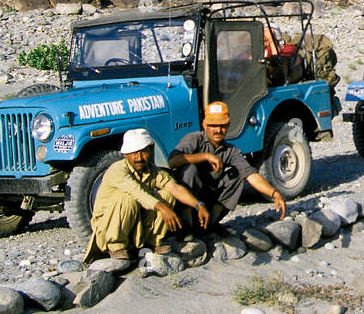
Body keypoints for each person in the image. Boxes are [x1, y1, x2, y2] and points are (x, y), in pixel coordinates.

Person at [83, 128, 209, 266]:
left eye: (144, 152)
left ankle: (151, 243)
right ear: (125, 155)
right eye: (134, 153)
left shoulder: (151, 170)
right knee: (127, 199)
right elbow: (137, 192)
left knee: (167, 195)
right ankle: (116, 246)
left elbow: (174, 188)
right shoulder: (117, 169)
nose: (139, 158)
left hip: (136, 222)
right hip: (109, 227)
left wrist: (199, 205)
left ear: (150, 151)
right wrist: (162, 208)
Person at [168, 100, 287, 231]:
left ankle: (210, 225)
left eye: (222, 125)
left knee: (237, 174)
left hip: (209, 198)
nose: (218, 130)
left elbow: (251, 175)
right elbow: (173, 161)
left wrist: (274, 193)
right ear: (204, 125)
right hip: (189, 199)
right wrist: (205, 156)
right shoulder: (194, 139)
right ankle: (187, 227)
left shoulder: (230, 151)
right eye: (213, 125)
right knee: (188, 169)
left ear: (228, 125)